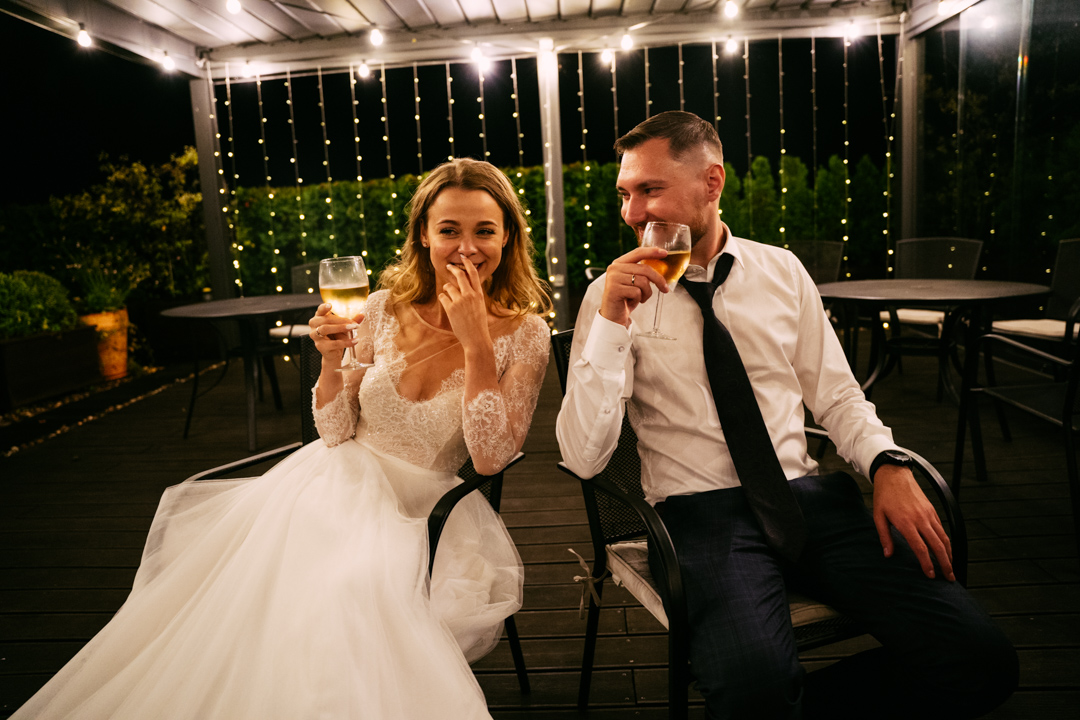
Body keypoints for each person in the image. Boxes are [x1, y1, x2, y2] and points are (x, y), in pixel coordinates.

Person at [12, 158, 552, 720]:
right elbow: (336, 431)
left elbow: (490, 460)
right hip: (329, 485)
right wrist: (330, 361)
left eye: (484, 230)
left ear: (507, 237)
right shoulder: (379, 309)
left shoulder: (527, 334)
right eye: (449, 230)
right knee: (260, 591)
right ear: (423, 235)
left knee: (345, 587)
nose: (467, 248)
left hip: (423, 509)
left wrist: (476, 342)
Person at [556, 111, 1017, 719]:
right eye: (625, 193)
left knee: (983, 661)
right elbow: (583, 458)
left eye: (650, 189)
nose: (632, 212)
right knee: (754, 688)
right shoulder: (610, 297)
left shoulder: (782, 271)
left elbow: (838, 396)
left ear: (712, 182)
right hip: (703, 517)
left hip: (810, 501)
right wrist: (612, 327)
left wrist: (888, 462)